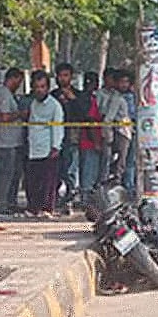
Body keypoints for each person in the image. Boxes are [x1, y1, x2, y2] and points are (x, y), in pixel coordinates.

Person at [23, 70, 64, 218]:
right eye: (37, 87)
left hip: (48, 149)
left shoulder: (55, 106)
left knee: (48, 182)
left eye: (42, 86)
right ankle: (33, 208)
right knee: (33, 181)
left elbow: (57, 127)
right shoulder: (33, 104)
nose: (39, 90)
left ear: (47, 88)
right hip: (33, 148)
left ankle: (47, 209)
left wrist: (56, 146)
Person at [0, 68, 25, 217]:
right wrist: (20, 114)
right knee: (5, 174)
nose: (19, 84)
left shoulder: (10, 94)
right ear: (13, 78)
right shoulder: (3, 94)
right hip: (4, 143)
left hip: (12, 142)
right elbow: (4, 117)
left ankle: (10, 202)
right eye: (19, 81)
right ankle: (1, 205)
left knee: (13, 174)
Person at [53, 62, 85, 212]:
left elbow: (83, 114)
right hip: (54, 137)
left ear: (71, 77)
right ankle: (55, 197)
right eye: (60, 76)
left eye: (66, 75)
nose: (63, 79)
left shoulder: (78, 95)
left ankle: (70, 198)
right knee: (56, 168)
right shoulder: (52, 95)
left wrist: (73, 99)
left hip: (72, 136)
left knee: (71, 169)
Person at [97, 69, 132, 184]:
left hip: (126, 130)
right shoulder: (116, 98)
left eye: (127, 82)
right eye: (121, 82)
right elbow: (109, 118)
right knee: (119, 159)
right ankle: (115, 180)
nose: (124, 85)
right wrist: (107, 136)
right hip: (119, 131)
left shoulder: (127, 96)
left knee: (125, 159)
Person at [77, 71, 106, 197]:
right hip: (90, 141)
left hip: (87, 140)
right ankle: (86, 200)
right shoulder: (90, 99)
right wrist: (96, 142)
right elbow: (91, 120)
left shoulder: (82, 97)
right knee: (89, 173)